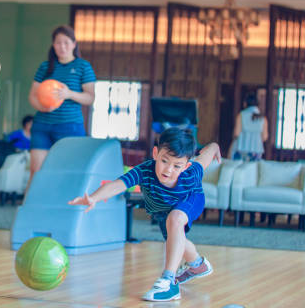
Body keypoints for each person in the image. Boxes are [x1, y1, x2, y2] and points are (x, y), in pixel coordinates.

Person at [69, 127, 221, 302]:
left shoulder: (190, 172)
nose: (169, 170)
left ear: (186, 165)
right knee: (177, 239)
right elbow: (118, 184)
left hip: (191, 199)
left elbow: (204, 158)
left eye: (177, 166)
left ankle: (168, 281)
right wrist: (94, 197)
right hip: (163, 211)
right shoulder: (145, 171)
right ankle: (197, 265)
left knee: (176, 219)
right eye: (164, 161)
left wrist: (214, 146)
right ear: (155, 153)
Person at [26, 25, 95, 191]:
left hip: (70, 126)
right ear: (53, 45)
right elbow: (32, 96)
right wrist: (42, 107)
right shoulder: (45, 67)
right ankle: (30, 211)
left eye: (66, 42)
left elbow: (90, 97)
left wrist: (69, 94)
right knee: (36, 171)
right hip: (42, 125)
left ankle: (66, 211)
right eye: (58, 43)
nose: (62, 46)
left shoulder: (83, 66)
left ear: (73, 44)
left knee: (68, 172)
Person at [231, 92, 268, 161]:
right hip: (257, 150)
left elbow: (237, 133)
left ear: (245, 103)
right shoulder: (263, 118)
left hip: (241, 148)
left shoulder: (241, 115)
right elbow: (265, 137)